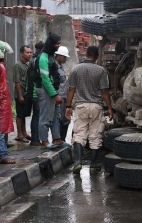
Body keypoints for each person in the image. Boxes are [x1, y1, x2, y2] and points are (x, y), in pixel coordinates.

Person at [66, 46, 113, 174]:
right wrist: (109, 107)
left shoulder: (76, 69)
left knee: (79, 134)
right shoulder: (101, 71)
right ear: (97, 56)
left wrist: (68, 106)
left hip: (81, 106)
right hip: (96, 106)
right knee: (95, 136)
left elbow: (71, 89)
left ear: (86, 54)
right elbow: (104, 91)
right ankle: (93, 164)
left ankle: (78, 162)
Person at [34, 33, 68, 149]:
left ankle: (57, 139)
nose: (58, 46)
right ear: (52, 44)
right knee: (45, 117)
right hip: (45, 91)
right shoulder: (43, 58)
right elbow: (45, 80)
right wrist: (54, 95)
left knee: (55, 116)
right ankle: (44, 141)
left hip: (52, 90)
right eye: (57, 44)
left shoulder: (51, 56)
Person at [13, 45, 33, 143]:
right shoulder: (18, 66)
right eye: (27, 52)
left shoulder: (28, 64)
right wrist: (20, 95)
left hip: (27, 92)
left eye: (30, 52)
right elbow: (17, 82)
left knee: (24, 114)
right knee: (20, 114)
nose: (29, 54)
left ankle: (24, 133)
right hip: (21, 93)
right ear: (21, 53)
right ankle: (19, 134)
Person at [28, 41, 44, 146]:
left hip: (33, 91)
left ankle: (35, 138)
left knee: (36, 116)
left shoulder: (32, 59)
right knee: (38, 116)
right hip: (37, 92)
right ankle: (35, 139)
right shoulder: (38, 60)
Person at [54, 46, 71, 141]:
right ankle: (58, 139)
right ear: (59, 56)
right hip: (58, 97)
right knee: (60, 119)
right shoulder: (54, 67)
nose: (65, 59)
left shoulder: (61, 67)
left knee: (65, 119)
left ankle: (62, 139)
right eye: (64, 57)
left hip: (63, 96)